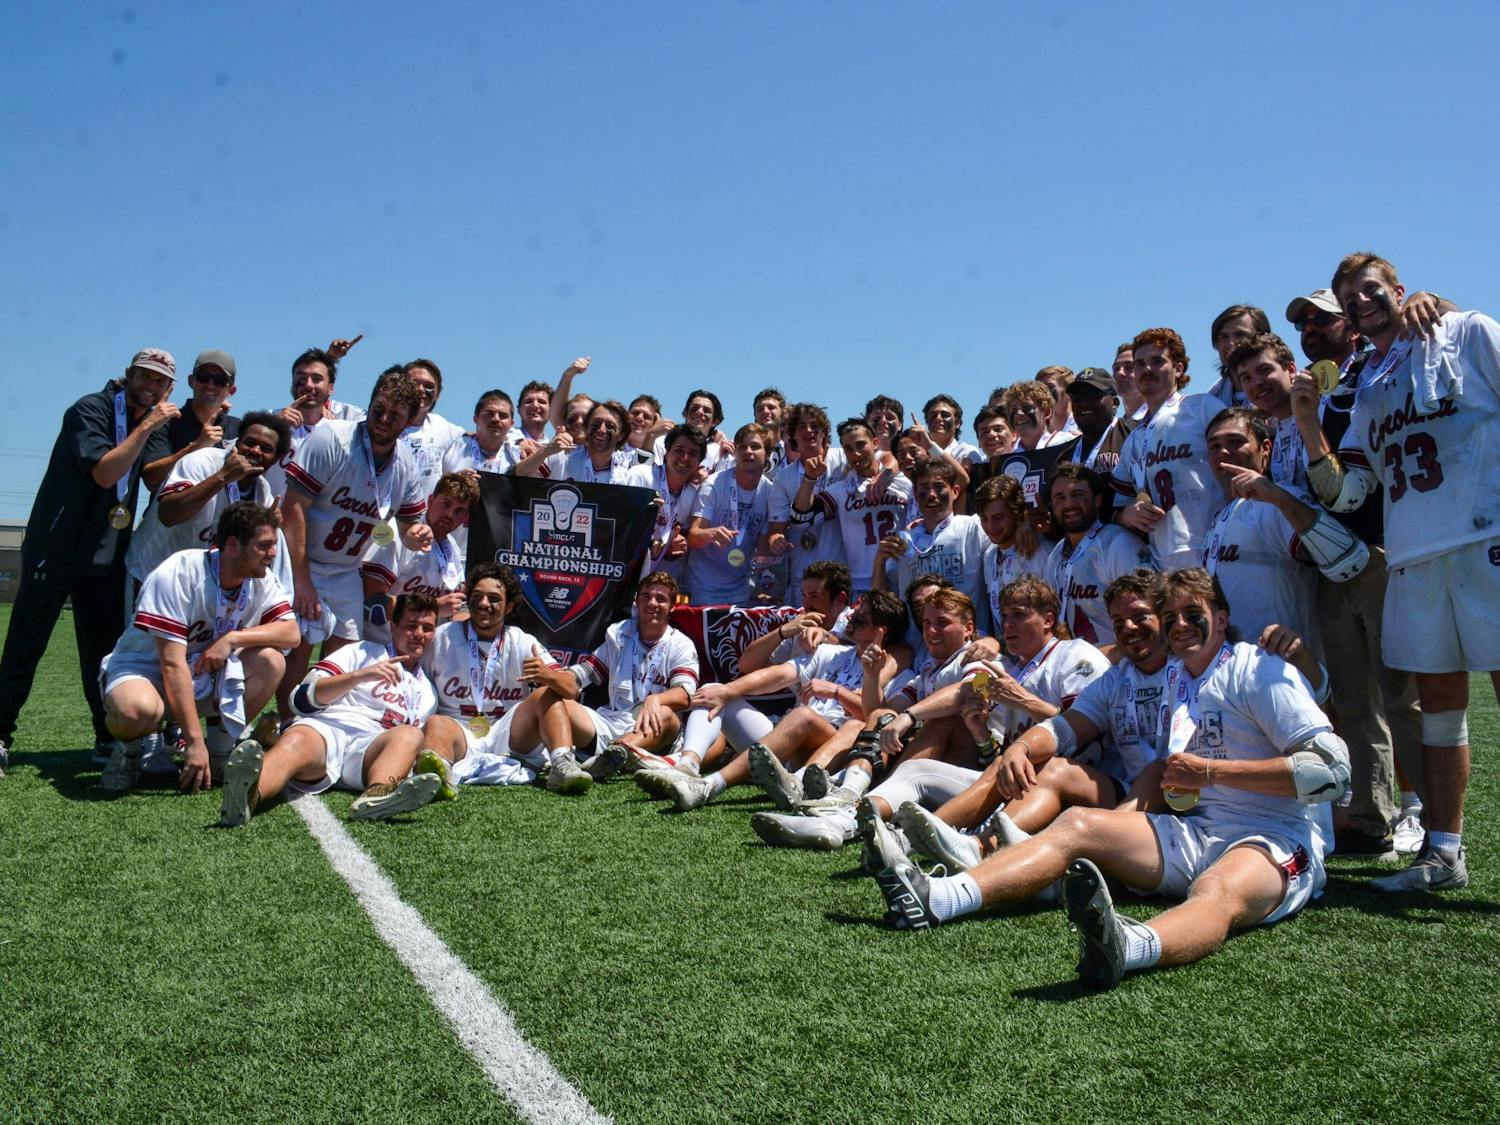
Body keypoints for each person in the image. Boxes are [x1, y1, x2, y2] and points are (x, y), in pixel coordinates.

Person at [867, 568, 1350, 993]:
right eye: (1171, 615)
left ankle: (1129, 944)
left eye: (1192, 613)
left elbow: (1330, 772)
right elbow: (1064, 727)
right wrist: (1018, 746)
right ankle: (942, 897)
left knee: (1219, 890)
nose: (1180, 625)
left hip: (1271, 836)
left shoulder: (1256, 669)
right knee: (1078, 824)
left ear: (1222, 617)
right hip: (1195, 827)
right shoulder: (1175, 676)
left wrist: (1211, 772)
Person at [1316, 251, 1500, 890]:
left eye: (1371, 290)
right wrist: (1307, 430)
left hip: (1487, 538)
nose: (1362, 303)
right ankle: (1445, 852)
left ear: (1398, 288)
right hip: (1415, 554)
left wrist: (1440, 301)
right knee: (1440, 708)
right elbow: (1353, 489)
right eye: (1350, 300)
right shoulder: (1369, 381)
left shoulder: (1468, 330)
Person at [897, 571, 1174, 873]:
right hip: (1066, 785)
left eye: (1018, 615)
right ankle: (907, 838)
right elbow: (1066, 727)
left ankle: (974, 843)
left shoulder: (1079, 657)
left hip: (1134, 790)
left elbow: (1082, 742)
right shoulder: (1019, 668)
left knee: (1055, 766)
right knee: (929, 768)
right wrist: (1005, 743)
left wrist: (1022, 708)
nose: (1008, 625)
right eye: (1118, 622)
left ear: (1048, 620)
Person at [1284, 288, 1425, 855]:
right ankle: (1375, 812)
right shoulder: (1308, 387)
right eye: (1304, 322)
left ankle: (1422, 810)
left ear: (1352, 323)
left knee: (1401, 692)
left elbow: (1344, 488)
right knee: (1356, 697)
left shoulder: (1376, 371)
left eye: (1322, 318)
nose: (1311, 328)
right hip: (1330, 563)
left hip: (1381, 546)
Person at [0, 348, 178, 774]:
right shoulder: (92, 408)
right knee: (26, 645)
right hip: (55, 548)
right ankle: (0, 734)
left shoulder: (152, 421)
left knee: (102, 652)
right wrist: (150, 425)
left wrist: (196, 446)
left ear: (169, 387)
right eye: (144, 376)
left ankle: (105, 737)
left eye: (158, 381)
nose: (150, 385)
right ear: (128, 374)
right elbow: (105, 473)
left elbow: (156, 475)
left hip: (106, 553)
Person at [635, 589, 908, 812]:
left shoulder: (900, 673)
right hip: (785, 742)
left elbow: (874, 717)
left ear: (879, 631)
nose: (850, 618)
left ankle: (711, 787)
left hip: (830, 751)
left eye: (861, 619)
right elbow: (776, 675)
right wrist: (729, 691)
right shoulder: (829, 653)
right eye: (854, 613)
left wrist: (838, 691)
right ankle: (689, 766)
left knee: (804, 717)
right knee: (715, 691)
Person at [99, 502, 297, 795]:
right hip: (146, 671)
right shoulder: (181, 571)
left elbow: (291, 633)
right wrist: (193, 741)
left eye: (274, 545)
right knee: (135, 711)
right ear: (232, 544)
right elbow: (171, 664)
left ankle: (219, 753)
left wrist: (233, 639)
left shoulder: (261, 580)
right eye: (264, 545)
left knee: (271, 661)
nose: (273, 553)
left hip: (202, 673)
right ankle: (128, 752)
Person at [218, 593, 448, 826]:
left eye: (427, 628)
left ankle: (377, 797)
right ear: (393, 626)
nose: (419, 634)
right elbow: (301, 699)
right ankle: (246, 799)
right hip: (329, 730)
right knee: (296, 740)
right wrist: (361, 675)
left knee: (410, 734)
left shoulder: (428, 691)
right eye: (411, 626)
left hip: (370, 750)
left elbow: (410, 748)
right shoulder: (363, 651)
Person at [278, 371, 431, 718]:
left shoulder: (405, 463)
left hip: (346, 569)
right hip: (305, 561)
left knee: (344, 654)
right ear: (370, 402)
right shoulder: (332, 437)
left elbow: (407, 526)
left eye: (395, 415)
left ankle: (323, 726)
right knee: (299, 649)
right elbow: (293, 508)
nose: (384, 420)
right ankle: (288, 723)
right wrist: (301, 580)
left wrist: (416, 535)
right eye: (379, 409)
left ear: (408, 420)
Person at [413, 563, 582, 794]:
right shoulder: (441, 638)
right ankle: (436, 777)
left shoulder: (521, 641)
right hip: (458, 730)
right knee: (436, 723)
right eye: (477, 596)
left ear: (509, 606)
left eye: (494, 599)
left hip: (507, 732)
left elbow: (572, 689)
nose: (484, 604)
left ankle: (562, 764)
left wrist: (549, 676)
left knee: (546, 694)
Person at [544, 572, 702, 778]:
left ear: (672, 607)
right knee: (553, 701)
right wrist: (553, 677)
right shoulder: (619, 633)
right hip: (610, 722)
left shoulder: (681, 643)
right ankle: (565, 761)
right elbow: (587, 671)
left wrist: (656, 699)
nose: (652, 603)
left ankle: (615, 754)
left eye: (660, 599)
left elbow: (686, 694)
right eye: (645, 596)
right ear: (636, 601)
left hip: (651, 730)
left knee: (668, 715)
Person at [125, 412, 291, 602]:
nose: (255, 451)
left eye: (266, 448)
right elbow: (168, 515)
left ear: (276, 458)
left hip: (201, 588)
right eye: (249, 442)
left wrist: (269, 527)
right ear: (237, 442)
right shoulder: (202, 462)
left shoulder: (262, 492)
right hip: (156, 575)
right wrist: (222, 478)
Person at [1110, 327, 1226, 569]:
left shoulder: (1203, 408)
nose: (1147, 369)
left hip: (1216, 548)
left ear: (1179, 368)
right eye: (1140, 364)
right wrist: (1127, 514)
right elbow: (1118, 504)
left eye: (1157, 361)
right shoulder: (1133, 440)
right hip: (1162, 558)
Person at [794, 418, 915, 596]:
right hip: (861, 581)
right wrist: (810, 479)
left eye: (860, 445)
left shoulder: (903, 481)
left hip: (904, 575)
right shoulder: (841, 490)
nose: (856, 454)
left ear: (875, 443)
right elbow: (801, 517)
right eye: (849, 449)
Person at [870, 459, 990, 630]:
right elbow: (883, 601)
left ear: (955, 491)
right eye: (924, 490)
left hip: (968, 643)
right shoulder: (904, 541)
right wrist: (879, 562)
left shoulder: (973, 527)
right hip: (918, 650)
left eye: (939, 487)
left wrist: (1024, 526)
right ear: (916, 497)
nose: (932, 495)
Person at [1043, 464, 1153, 646]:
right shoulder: (1056, 556)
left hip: (1122, 664)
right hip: (1077, 665)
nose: (1069, 504)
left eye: (1078, 495)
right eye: (1060, 498)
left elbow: (1150, 617)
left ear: (1097, 500)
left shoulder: (1118, 544)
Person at [360, 472, 477, 642]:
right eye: (446, 504)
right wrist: (433, 607)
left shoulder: (452, 548)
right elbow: (370, 602)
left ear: (466, 517)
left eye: (459, 510)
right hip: (376, 647)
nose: (449, 514)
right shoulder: (399, 534)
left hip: (417, 653)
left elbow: (458, 605)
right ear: (430, 501)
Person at [766, 404, 848, 605]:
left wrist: (887, 472)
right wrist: (775, 540)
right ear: (792, 435)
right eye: (801, 426)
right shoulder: (784, 478)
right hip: (802, 576)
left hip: (840, 574)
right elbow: (776, 531)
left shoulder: (843, 460)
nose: (809, 431)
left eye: (815, 426)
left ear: (824, 432)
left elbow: (879, 459)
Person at [685, 423, 773, 606]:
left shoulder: (770, 492)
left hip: (742, 591)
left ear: (768, 454)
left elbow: (763, 549)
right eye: (742, 446)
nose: (748, 451)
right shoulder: (714, 484)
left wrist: (763, 587)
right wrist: (710, 534)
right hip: (704, 589)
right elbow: (693, 536)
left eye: (755, 447)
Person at [264, 343, 366, 500]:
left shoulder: (346, 426)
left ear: (330, 388)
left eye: (316, 379)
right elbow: (237, 457)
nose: (308, 385)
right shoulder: (269, 420)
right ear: (292, 384)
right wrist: (273, 428)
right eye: (301, 379)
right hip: (273, 518)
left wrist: (337, 431)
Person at [142, 349, 242, 490]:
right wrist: (196, 447)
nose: (210, 385)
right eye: (203, 377)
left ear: (231, 390)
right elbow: (151, 480)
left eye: (220, 381)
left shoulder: (240, 429)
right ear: (191, 381)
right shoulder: (165, 423)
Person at [621, 423, 707, 585]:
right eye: (679, 450)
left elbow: (680, 539)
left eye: (693, 454)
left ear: (699, 462)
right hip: (623, 573)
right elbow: (620, 525)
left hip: (656, 580)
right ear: (667, 452)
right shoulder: (641, 475)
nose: (685, 458)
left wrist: (673, 546)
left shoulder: (693, 494)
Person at [519, 399, 634, 483]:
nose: (601, 430)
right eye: (596, 423)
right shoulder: (562, 456)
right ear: (587, 427)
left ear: (621, 435)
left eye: (610, 426)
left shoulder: (628, 469)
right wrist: (545, 451)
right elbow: (520, 473)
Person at [400, 358, 467, 496]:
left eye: (429, 386)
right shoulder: (382, 421)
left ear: (438, 394)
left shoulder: (442, 427)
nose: (420, 390)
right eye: (413, 383)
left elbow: (480, 435)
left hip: (422, 516)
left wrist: (518, 441)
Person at [1062, 367, 1134, 476]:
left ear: (1115, 403)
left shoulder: (1134, 434)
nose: (1084, 404)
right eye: (1077, 398)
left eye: (1093, 396)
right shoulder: (1064, 455)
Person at [442, 389, 527, 477]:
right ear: (475, 419)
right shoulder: (454, 448)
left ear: (511, 424)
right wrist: (456, 481)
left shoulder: (518, 455)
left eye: (503, 416)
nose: (496, 419)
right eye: (489, 414)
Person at [1205, 304, 1272, 406]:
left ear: (1263, 338)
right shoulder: (1210, 402)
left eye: (1241, 335)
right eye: (1224, 337)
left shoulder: (1281, 389)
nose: (1231, 343)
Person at [921, 394, 984, 464]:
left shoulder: (967, 452)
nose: (938, 418)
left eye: (944, 415)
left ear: (957, 423)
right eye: (933, 415)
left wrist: (932, 448)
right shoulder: (920, 455)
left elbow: (964, 474)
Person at [514, 379, 553, 445]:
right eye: (529, 401)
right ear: (519, 409)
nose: (535, 405)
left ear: (551, 411)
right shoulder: (504, 440)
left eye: (541, 402)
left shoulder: (556, 452)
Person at [1113, 343, 1145, 420]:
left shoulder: (1161, 419)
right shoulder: (1115, 429)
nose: (1120, 373)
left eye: (1129, 367)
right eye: (1116, 368)